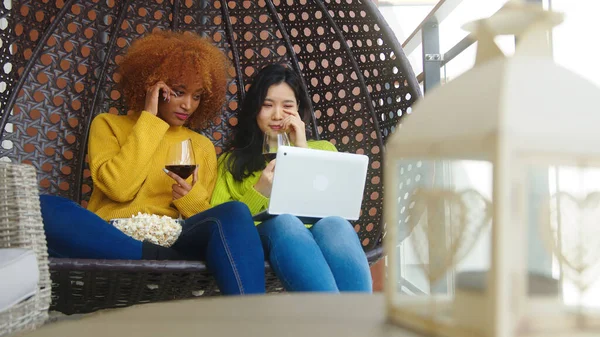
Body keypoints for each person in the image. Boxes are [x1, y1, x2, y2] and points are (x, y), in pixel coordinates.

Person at [40, 31, 265, 295]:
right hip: (114, 235)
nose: (188, 105)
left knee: (234, 213)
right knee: (42, 208)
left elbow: (205, 218)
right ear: (152, 85)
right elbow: (119, 189)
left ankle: (253, 318)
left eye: (197, 96)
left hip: (175, 235)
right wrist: (150, 119)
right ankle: (157, 261)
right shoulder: (108, 124)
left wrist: (188, 199)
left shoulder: (201, 146)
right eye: (179, 92)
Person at [211, 64, 372, 292]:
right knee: (285, 221)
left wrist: (301, 149)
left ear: (298, 110)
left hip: (321, 238)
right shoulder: (231, 162)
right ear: (255, 109)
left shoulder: (323, 149)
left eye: (287, 106)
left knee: (335, 223)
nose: (277, 115)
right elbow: (220, 224)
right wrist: (258, 192)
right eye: (267, 105)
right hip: (268, 238)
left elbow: (339, 207)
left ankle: (351, 320)